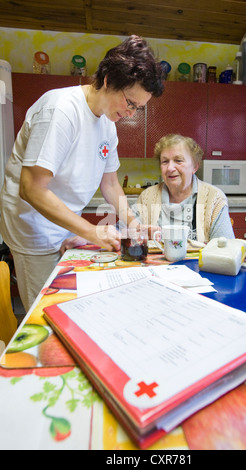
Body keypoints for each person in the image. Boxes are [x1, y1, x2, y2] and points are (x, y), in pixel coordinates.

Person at [0, 35, 164, 311]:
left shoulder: (108, 125)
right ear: (109, 78)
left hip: (65, 223)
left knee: (71, 302)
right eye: (130, 102)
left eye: (138, 108)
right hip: (33, 228)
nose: (131, 113)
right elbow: (32, 188)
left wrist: (135, 226)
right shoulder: (61, 110)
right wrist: (90, 231)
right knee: (45, 310)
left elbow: (111, 183)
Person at [134, 134, 234, 245]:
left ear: (195, 166)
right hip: (157, 262)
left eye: (178, 160)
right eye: (165, 162)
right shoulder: (147, 196)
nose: (170, 168)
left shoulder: (214, 198)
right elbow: (126, 234)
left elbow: (225, 247)